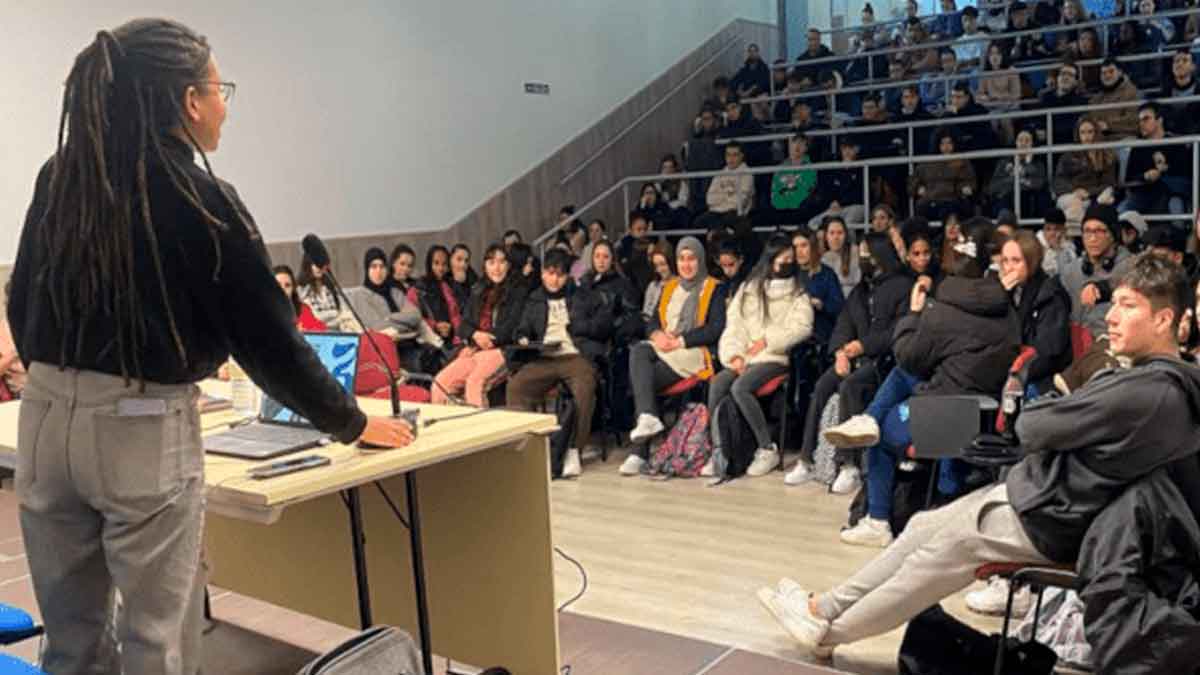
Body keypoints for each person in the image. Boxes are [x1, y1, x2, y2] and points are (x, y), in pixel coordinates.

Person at [7, 19, 412, 675]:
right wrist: (353, 420)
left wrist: (66, 385)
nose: (225, 103)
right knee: (155, 644)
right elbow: (269, 343)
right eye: (219, 87)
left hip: (45, 417)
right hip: (139, 431)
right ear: (190, 101)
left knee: (71, 644)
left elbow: (23, 300)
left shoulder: (61, 177)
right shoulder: (201, 198)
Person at [759, 254, 1200, 661]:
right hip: (1045, 494)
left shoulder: (1148, 391)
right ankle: (824, 606)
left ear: (1164, 319)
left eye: (1127, 305)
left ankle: (828, 634)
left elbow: (1033, 425)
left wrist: (1052, 416)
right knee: (922, 526)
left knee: (938, 554)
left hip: (1052, 515)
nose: (1112, 316)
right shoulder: (1156, 384)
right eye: (1114, 303)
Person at [825, 222, 1019, 548]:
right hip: (984, 412)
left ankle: (878, 520)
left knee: (881, 432)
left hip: (948, 418)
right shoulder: (1006, 310)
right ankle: (869, 418)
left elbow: (907, 354)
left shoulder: (943, 312)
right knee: (902, 382)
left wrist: (914, 314)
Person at [790, 234, 912, 490]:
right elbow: (844, 324)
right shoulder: (860, 289)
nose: (863, 259)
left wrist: (864, 346)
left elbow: (899, 331)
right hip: (853, 356)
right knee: (823, 385)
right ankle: (806, 458)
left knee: (850, 387)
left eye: (867, 253)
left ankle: (850, 465)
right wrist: (839, 352)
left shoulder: (902, 286)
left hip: (884, 361)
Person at [706, 237, 814, 477]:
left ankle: (767, 448)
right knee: (718, 384)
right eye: (781, 259)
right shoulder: (749, 289)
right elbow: (734, 326)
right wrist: (734, 355)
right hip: (745, 356)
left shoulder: (798, 293)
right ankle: (718, 449)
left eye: (789, 259)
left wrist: (768, 340)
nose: (785, 263)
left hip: (775, 358)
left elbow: (802, 328)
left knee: (740, 388)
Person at [621, 237, 728, 475]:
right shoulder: (669, 287)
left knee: (641, 380)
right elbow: (653, 322)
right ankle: (648, 417)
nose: (686, 264)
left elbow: (716, 328)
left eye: (691, 259)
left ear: (700, 260)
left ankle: (639, 451)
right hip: (664, 349)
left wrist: (679, 341)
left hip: (694, 352)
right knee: (639, 350)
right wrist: (658, 335)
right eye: (681, 259)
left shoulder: (714, 288)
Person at [506, 249, 612, 479]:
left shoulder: (582, 295)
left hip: (575, 355)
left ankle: (574, 450)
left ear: (567, 276)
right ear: (543, 273)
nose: (555, 279)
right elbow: (522, 327)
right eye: (550, 273)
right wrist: (524, 337)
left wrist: (580, 329)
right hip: (543, 356)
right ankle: (528, 445)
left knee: (584, 390)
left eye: (560, 274)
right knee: (516, 386)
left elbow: (604, 324)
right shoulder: (534, 298)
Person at [432, 244, 529, 407]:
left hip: (502, 350)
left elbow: (512, 327)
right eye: (491, 262)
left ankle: (481, 430)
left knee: (475, 384)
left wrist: (484, 340)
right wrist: (476, 336)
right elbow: (463, 325)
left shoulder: (518, 290)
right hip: (475, 349)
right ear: (484, 265)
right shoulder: (478, 289)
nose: (496, 268)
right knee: (439, 385)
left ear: (508, 265)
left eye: (501, 262)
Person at [1000, 231, 1074, 395]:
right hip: (1015, 368)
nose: (1009, 267)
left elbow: (1049, 352)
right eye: (1005, 261)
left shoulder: (1050, 296)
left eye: (1016, 261)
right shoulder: (1007, 293)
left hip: (1044, 377)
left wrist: (1014, 372)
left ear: (1031, 262)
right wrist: (999, 296)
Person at [1059, 204, 1133, 340]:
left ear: (1113, 234)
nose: (1092, 238)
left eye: (1099, 231)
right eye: (1087, 231)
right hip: (1077, 347)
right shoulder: (1070, 271)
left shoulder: (1131, 267)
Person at [1120, 101, 1193, 217]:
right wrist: (1145, 176)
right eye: (1139, 120)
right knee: (1123, 210)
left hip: (1171, 192)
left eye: (1146, 119)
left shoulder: (1176, 142)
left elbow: (1185, 175)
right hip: (1144, 193)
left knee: (1176, 205)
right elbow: (1129, 177)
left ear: (1159, 120)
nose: (1141, 124)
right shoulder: (1137, 147)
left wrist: (1162, 172)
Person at [1054, 116, 1118, 231]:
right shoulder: (1069, 155)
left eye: (1090, 132)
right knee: (1074, 204)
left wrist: (1088, 192)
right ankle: (1078, 240)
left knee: (1105, 199)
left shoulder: (1107, 155)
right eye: (1082, 132)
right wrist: (1074, 190)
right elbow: (1059, 180)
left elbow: (1109, 183)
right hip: (1069, 194)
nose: (1086, 137)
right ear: (1078, 135)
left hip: (1093, 196)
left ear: (1096, 133)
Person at [910, 129, 977, 222]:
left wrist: (965, 188)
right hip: (930, 200)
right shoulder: (927, 162)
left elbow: (969, 181)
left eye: (949, 143)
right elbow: (913, 180)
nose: (946, 147)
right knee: (921, 209)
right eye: (942, 143)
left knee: (951, 210)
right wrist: (918, 188)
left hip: (953, 200)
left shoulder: (962, 162)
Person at [794, 229, 845, 345]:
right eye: (795, 247)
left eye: (803, 246)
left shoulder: (827, 274)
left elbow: (839, 307)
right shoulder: (789, 274)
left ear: (813, 247)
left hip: (820, 334)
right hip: (793, 335)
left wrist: (821, 305)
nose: (799, 251)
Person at [986, 128, 1049, 217]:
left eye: (1027, 140)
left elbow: (1039, 184)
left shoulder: (1038, 163)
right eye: (1020, 140)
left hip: (1028, 201)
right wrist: (1015, 180)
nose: (1023, 144)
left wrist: (1027, 165)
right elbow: (993, 187)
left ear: (1032, 144)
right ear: (1016, 142)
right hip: (1007, 198)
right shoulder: (1004, 162)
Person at [807, 138, 867, 229]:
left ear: (856, 149)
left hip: (857, 206)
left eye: (850, 148)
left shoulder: (863, 166)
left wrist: (840, 202)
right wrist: (832, 202)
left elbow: (859, 193)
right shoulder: (835, 168)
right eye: (844, 148)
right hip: (837, 208)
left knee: (846, 224)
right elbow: (829, 191)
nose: (847, 151)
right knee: (812, 223)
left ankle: (850, 243)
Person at [695, 141, 755, 232]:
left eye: (735, 155)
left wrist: (721, 196)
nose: (731, 158)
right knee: (697, 222)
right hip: (715, 213)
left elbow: (739, 202)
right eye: (728, 155)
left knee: (723, 225)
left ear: (742, 156)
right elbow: (709, 199)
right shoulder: (720, 173)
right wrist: (729, 195)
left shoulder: (747, 174)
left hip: (735, 214)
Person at [417, 245, 462, 346]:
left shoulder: (451, 285)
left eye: (444, 264)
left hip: (455, 341)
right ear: (429, 264)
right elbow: (413, 319)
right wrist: (435, 326)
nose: (441, 268)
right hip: (430, 343)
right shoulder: (418, 289)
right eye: (436, 263)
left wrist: (457, 333)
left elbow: (457, 313)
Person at [1036, 62, 1090, 147]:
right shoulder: (1046, 97)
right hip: (1046, 144)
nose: (1066, 77)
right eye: (1063, 73)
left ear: (1076, 82)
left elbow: (1073, 128)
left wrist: (1049, 131)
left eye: (1070, 75)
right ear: (1057, 78)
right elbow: (1039, 121)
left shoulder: (1080, 101)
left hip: (1068, 145)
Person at [1090, 58, 1141, 139]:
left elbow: (1134, 122)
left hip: (1122, 140)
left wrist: (1108, 125)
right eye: (1103, 73)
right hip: (1100, 142)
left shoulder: (1131, 92)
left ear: (1120, 72)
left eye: (1111, 71)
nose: (1107, 75)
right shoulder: (1096, 98)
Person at [273, 265, 326, 332]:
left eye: (287, 285)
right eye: (278, 285)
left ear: (293, 289)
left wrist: (305, 330)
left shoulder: (302, 309)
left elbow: (321, 329)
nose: (283, 289)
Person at [297, 250, 341, 326]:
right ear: (307, 265)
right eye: (315, 264)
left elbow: (342, 310)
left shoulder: (330, 286)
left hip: (337, 330)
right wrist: (335, 314)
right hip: (316, 332)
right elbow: (314, 317)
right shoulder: (301, 290)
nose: (318, 267)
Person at [822, 216, 862, 299]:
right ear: (826, 236)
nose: (836, 237)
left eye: (840, 233)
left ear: (846, 235)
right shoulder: (824, 258)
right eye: (832, 233)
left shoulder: (856, 252)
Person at [642, 240, 677, 322]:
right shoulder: (653, 286)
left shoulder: (682, 285)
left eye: (663, 264)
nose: (659, 270)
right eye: (656, 265)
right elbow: (646, 314)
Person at [1038, 208, 1078, 276]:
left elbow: (1070, 273)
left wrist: (1058, 250)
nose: (1052, 233)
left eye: (1057, 229)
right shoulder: (1037, 244)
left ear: (1064, 230)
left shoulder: (1069, 247)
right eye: (1048, 229)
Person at [448, 243, 478, 312]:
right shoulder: (444, 279)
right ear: (450, 260)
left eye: (466, 261)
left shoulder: (473, 278)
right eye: (459, 259)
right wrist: (457, 283)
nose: (463, 264)